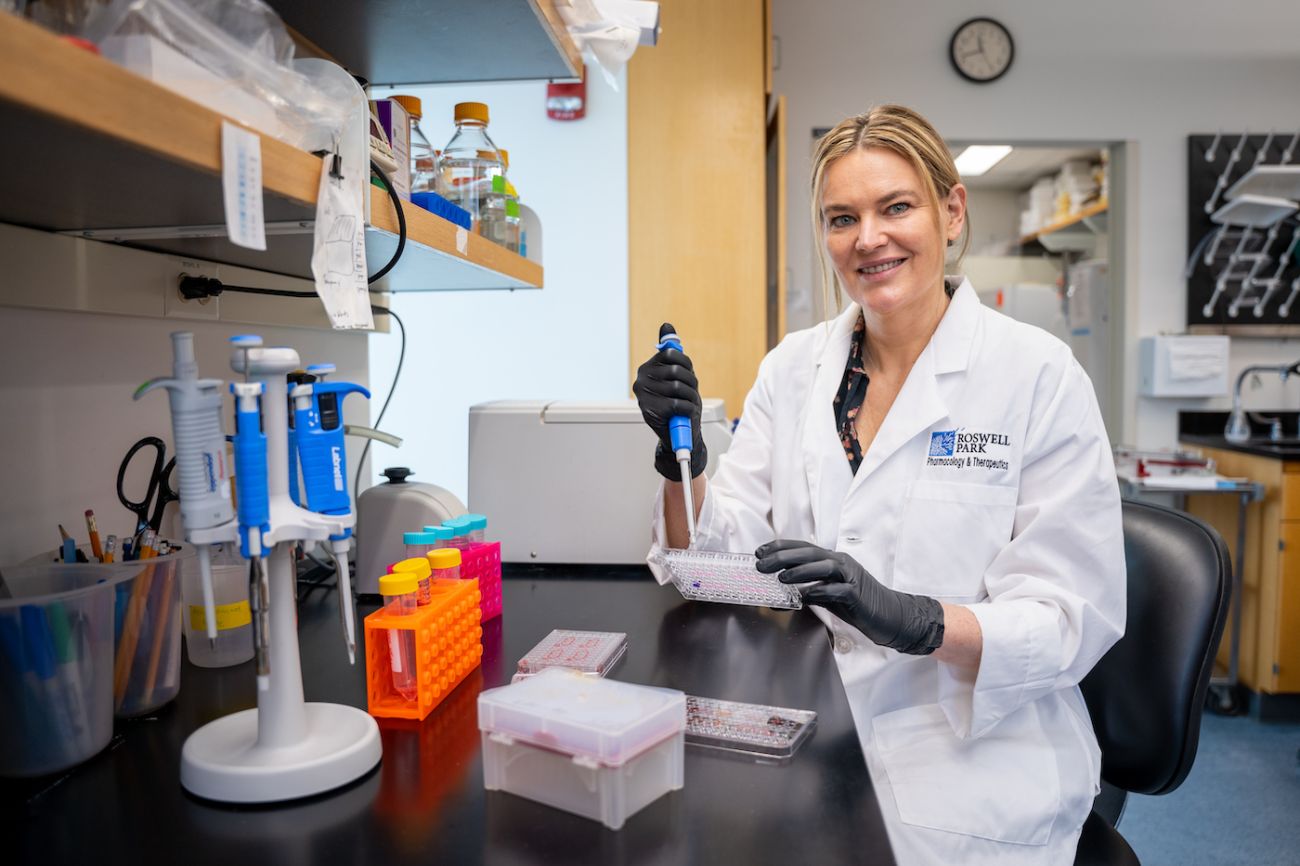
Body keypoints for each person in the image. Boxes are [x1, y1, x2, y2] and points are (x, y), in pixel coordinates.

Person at [634, 104, 1125, 864]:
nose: (869, 238)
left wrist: (913, 620)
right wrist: (680, 460)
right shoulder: (792, 369)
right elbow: (714, 556)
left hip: (975, 754)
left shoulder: (1038, 375)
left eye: (896, 207)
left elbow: (1071, 617)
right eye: (842, 218)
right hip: (811, 722)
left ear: (951, 210)